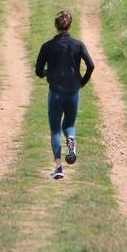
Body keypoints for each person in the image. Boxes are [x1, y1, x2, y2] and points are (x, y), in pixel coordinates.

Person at [34, 9, 94, 179]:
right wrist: (81, 82)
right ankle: (72, 141)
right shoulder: (78, 45)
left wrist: (47, 72)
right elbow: (91, 65)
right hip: (73, 92)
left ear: (56, 25)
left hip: (55, 93)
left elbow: (38, 71)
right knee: (68, 125)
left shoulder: (47, 46)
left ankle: (59, 168)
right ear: (70, 25)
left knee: (55, 130)